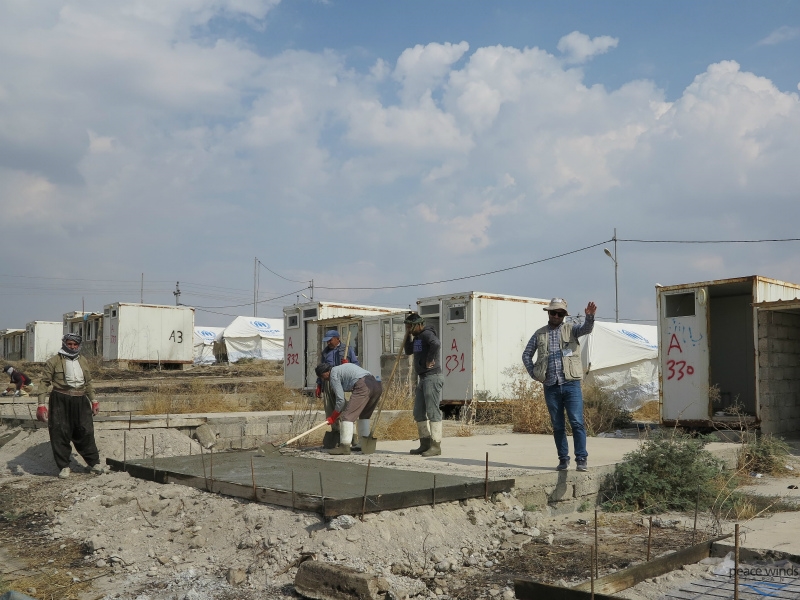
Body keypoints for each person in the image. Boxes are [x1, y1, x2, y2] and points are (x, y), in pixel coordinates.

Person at [522, 298, 596, 472]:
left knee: (577, 422)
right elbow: (526, 355)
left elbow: (586, 329)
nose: (556, 315)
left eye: (560, 313)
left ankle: (581, 459)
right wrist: (535, 374)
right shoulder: (540, 334)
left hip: (571, 384)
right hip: (551, 386)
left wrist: (590, 317)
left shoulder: (571, 329)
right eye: (553, 312)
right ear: (548, 313)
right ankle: (563, 459)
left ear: (564, 315)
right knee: (557, 425)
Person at [37, 333, 104, 479]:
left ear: (78, 345)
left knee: (85, 431)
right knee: (60, 431)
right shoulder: (53, 361)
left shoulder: (84, 360)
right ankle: (64, 467)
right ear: (64, 344)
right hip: (61, 398)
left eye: (75, 344)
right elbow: (44, 383)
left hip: (80, 400)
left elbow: (88, 383)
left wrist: (94, 401)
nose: (72, 347)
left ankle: (94, 463)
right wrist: (41, 404)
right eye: (69, 344)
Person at [315, 362, 382, 456]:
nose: (324, 379)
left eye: (322, 376)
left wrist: (334, 416)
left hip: (362, 385)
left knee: (347, 416)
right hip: (376, 385)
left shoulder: (333, 375)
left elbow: (340, 400)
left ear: (327, 372)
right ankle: (363, 444)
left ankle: (344, 447)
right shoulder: (341, 368)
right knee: (364, 415)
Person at [404, 313, 444, 457]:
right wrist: (407, 335)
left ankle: (435, 445)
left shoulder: (427, 334)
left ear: (417, 325)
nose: (408, 329)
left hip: (432, 376)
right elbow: (408, 351)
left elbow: (436, 343)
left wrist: (429, 359)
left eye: (410, 327)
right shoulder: (416, 338)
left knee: (432, 411)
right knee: (418, 412)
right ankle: (424, 444)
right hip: (423, 378)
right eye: (407, 327)